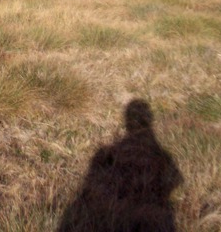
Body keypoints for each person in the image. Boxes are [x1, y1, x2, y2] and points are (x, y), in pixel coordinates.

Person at [58, 99, 183, 231]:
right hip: (152, 222)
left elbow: (91, 191)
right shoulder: (163, 158)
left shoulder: (109, 155)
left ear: (127, 122)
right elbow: (174, 182)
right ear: (150, 120)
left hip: (118, 221)